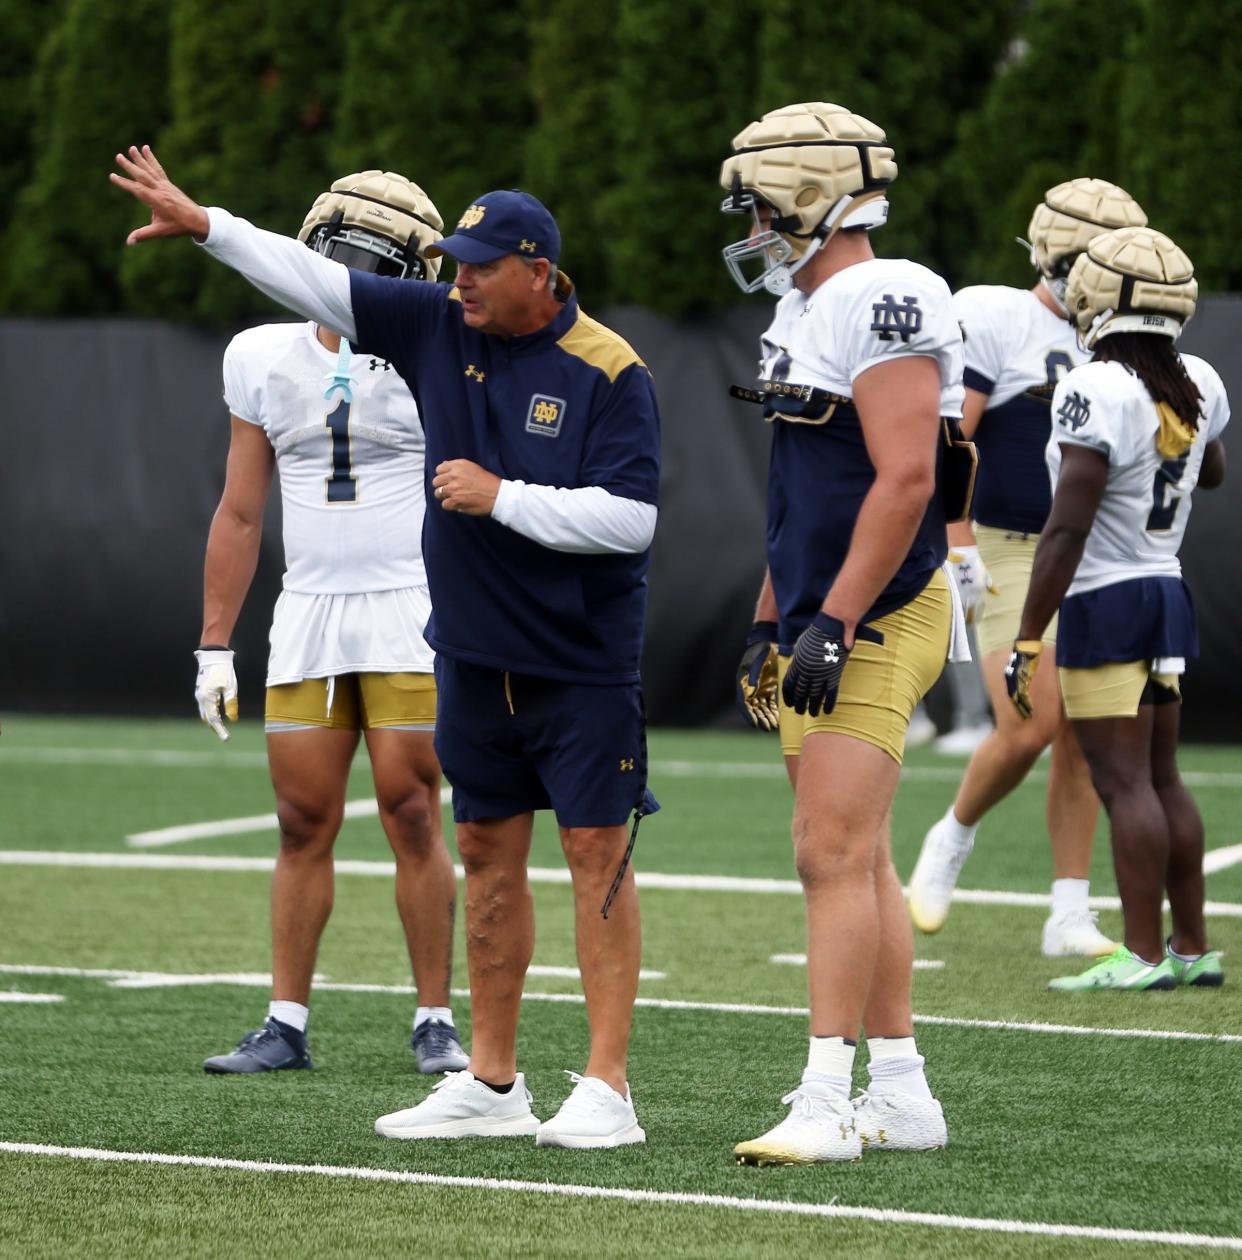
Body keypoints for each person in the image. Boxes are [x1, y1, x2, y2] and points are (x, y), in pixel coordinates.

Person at [112, 146, 661, 1149]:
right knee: (425, 836)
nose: (460, 283)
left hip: (505, 634)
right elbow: (303, 301)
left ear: (535, 268)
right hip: (421, 637)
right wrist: (206, 225)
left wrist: (505, 498)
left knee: (507, 831)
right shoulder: (385, 333)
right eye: (450, 263)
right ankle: (454, 1070)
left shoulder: (556, 362)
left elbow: (633, 518)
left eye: (477, 265)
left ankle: (548, 1063)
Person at [724, 102, 971, 1163]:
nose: (752, 228)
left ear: (820, 198)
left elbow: (909, 476)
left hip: (882, 603)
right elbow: (807, 494)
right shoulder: (805, 301)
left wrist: (833, 619)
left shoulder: (886, 290)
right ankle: (905, 1094)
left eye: (764, 207)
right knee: (856, 853)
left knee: (825, 851)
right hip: (829, 602)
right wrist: (769, 617)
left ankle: (827, 1100)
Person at [194, 171, 467, 1077]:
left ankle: (433, 1016)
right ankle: (285, 1019)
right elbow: (239, 511)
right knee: (300, 817)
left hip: (408, 610)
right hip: (308, 612)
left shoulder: (435, 349)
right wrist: (213, 643)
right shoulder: (261, 355)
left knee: (412, 810)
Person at [909, 179, 1147, 958]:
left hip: (1089, 553)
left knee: (1083, 729)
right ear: (1047, 250)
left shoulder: (1119, 341)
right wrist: (956, 536)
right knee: (1032, 720)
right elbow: (954, 435)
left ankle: (1068, 912)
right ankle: (951, 836)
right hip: (1006, 543)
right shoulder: (998, 314)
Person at [1006, 225, 1227, 991]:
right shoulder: (1194, 376)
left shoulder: (1094, 384)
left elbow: (1067, 524)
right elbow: (1214, 473)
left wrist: (1027, 634)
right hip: (1166, 589)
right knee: (1163, 778)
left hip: (1108, 597)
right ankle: (1192, 947)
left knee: (1123, 782)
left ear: (1098, 299)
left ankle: (1139, 955)